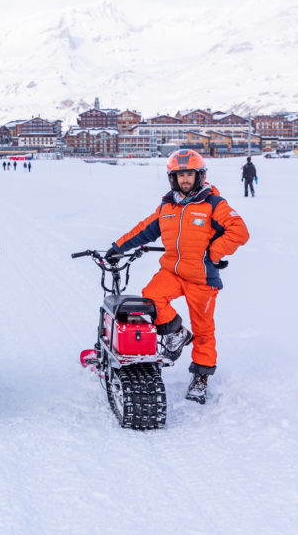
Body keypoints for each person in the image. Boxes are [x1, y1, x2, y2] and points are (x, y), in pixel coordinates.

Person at [104, 149, 249, 403]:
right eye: (180, 175)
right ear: (173, 178)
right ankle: (178, 333)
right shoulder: (167, 207)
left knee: (204, 329)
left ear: (199, 176)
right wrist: (118, 247)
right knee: (151, 298)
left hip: (202, 276)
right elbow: (143, 230)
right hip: (172, 270)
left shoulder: (214, 204)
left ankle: (201, 377)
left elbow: (239, 232)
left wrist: (214, 253)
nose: (185, 180)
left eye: (190, 175)